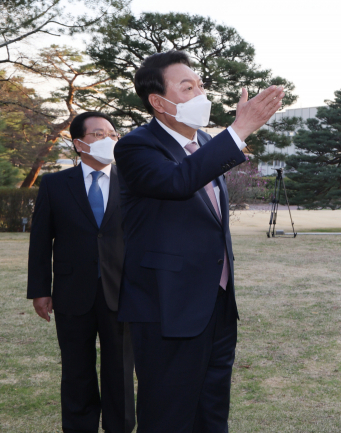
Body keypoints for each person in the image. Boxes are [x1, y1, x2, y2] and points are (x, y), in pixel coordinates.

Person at [114, 50, 284, 433]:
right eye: (187, 87)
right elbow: (178, 182)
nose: (201, 94)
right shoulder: (136, 146)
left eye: (201, 85)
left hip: (216, 304)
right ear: (158, 102)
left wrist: (230, 136)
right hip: (166, 305)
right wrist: (239, 129)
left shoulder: (206, 141)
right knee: (168, 415)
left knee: (212, 412)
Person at [27, 111, 135, 433]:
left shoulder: (132, 182)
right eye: (99, 134)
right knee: (76, 369)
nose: (109, 140)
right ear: (79, 144)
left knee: (120, 367)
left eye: (112, 134)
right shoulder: (55, 184)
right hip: (72, 291)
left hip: (122, 290)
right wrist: (39, 290)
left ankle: (120, 427)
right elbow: (40, 240)